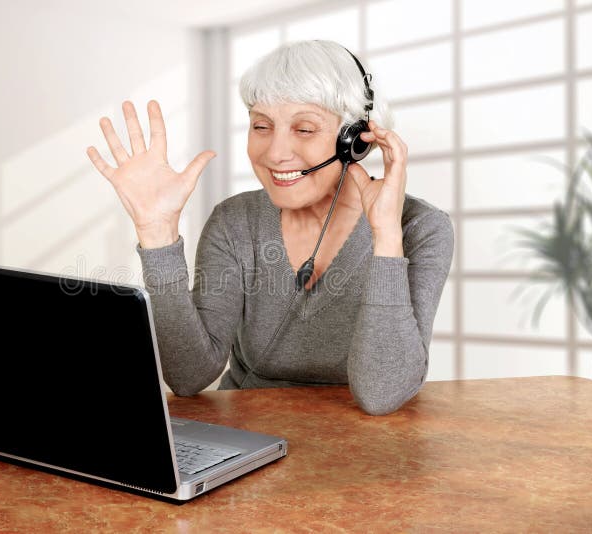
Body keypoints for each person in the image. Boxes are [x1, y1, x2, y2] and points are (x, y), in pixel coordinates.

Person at [86, 40, 454, 416]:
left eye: (305, 129)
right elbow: (188, 375)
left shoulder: (421, 229)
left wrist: (387, 236)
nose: (276, 153)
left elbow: (382, 394)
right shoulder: (235, 221)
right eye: (261, 125)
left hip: (367, 449)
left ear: (355, 140)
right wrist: (158, 233)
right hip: (247, 437)